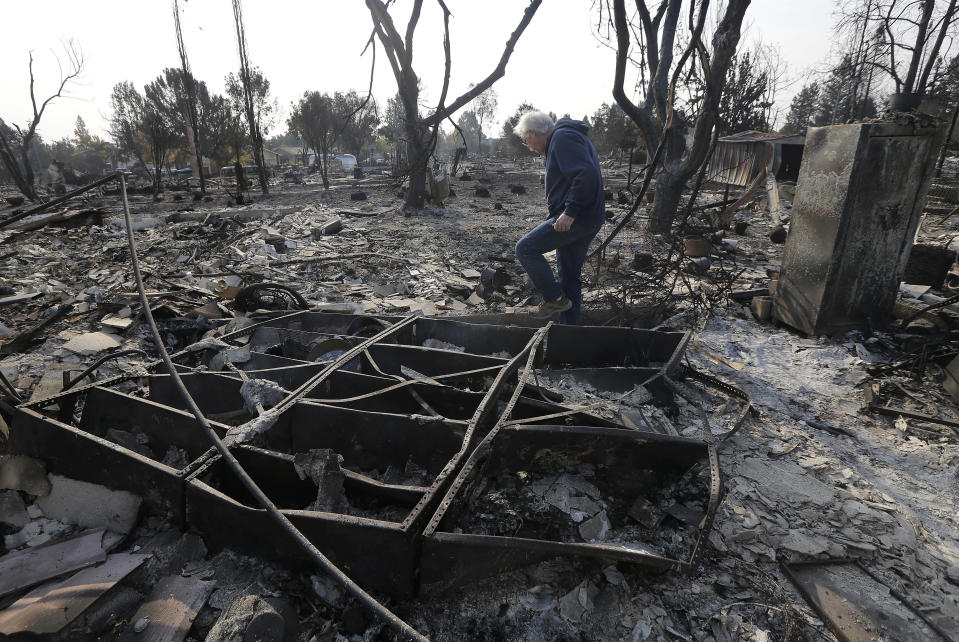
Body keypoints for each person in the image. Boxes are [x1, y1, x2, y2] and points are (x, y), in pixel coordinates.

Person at [514, 111, 605, 324]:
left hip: (578, 217)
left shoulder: (562, 138)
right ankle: (569, 338)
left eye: (527, 141)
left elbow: (585, 174)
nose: (529, 146)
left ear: (534, 133)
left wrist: (570, 212)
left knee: (525, 249)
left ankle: (553, 299)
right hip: (585, 216)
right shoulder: (565, 137)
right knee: (569, 280)